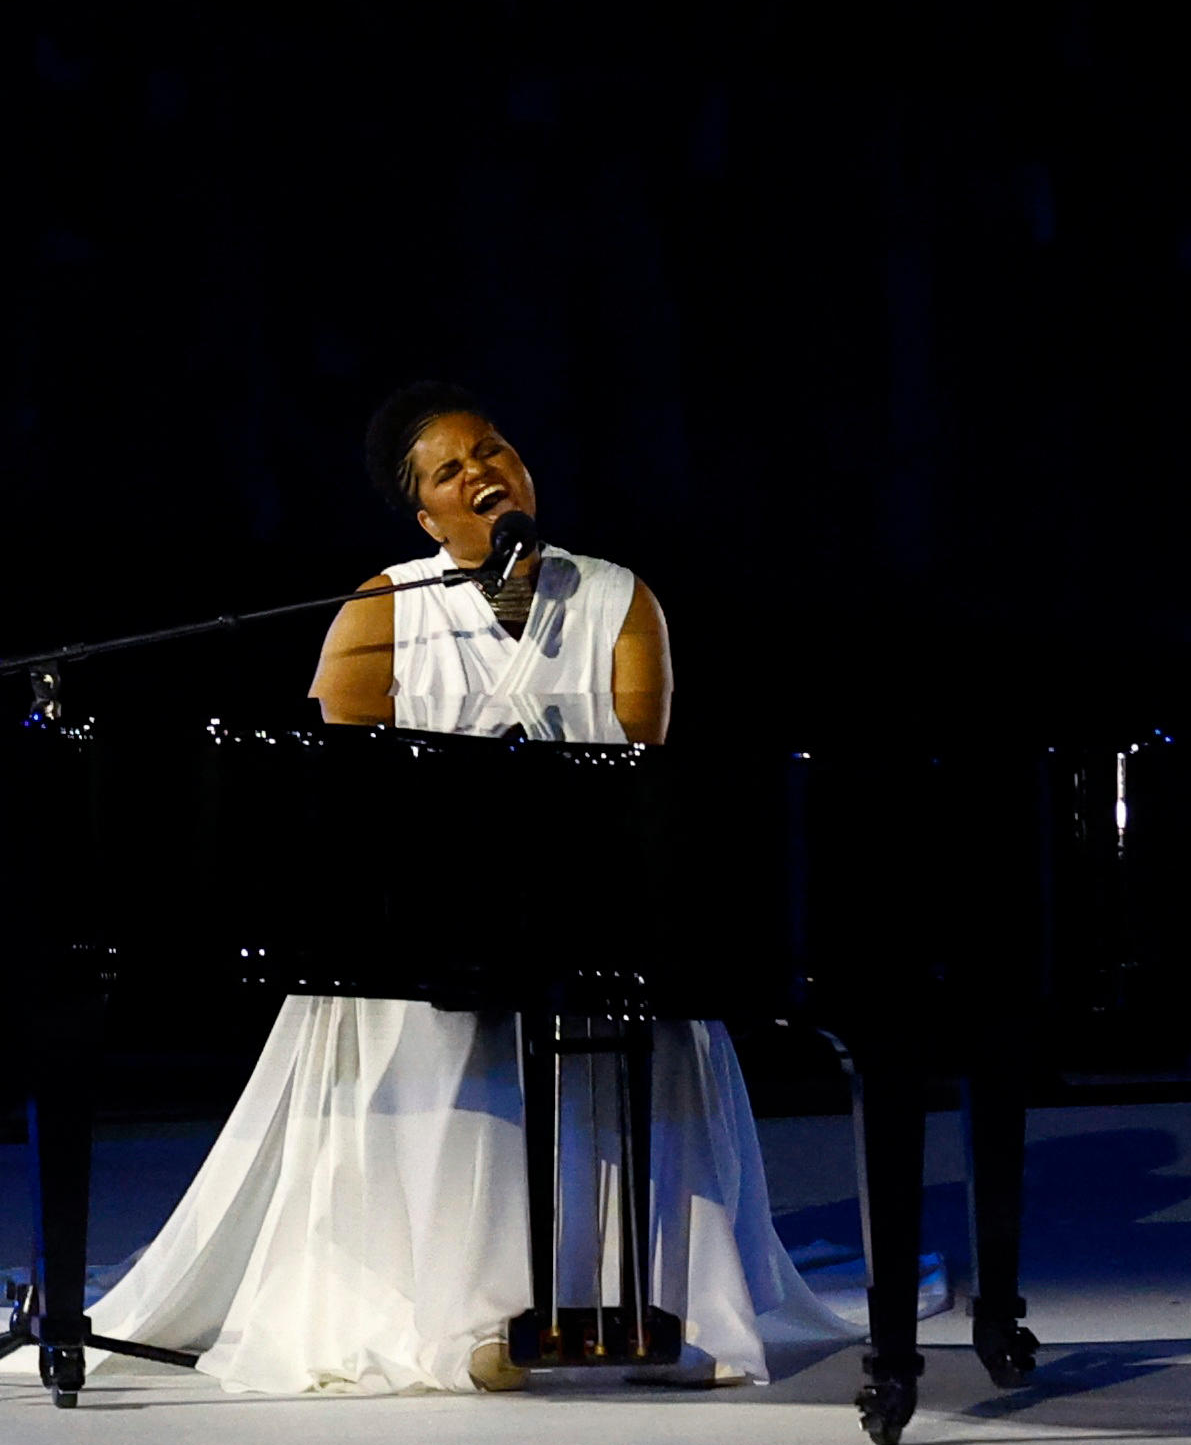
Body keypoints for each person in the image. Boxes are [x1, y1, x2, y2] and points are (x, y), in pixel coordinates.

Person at [83, 384, 858, 1394]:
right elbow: (341, 775)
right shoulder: (387, 603)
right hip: (423, 914)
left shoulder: (619, 599)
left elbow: (642, 764)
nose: (480, 472)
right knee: (446, 1037)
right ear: (424, 513)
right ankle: (470, 1318)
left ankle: (657, 1301)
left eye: (492, 451)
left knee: (648, 1021)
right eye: (450, 470)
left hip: (594, 905)